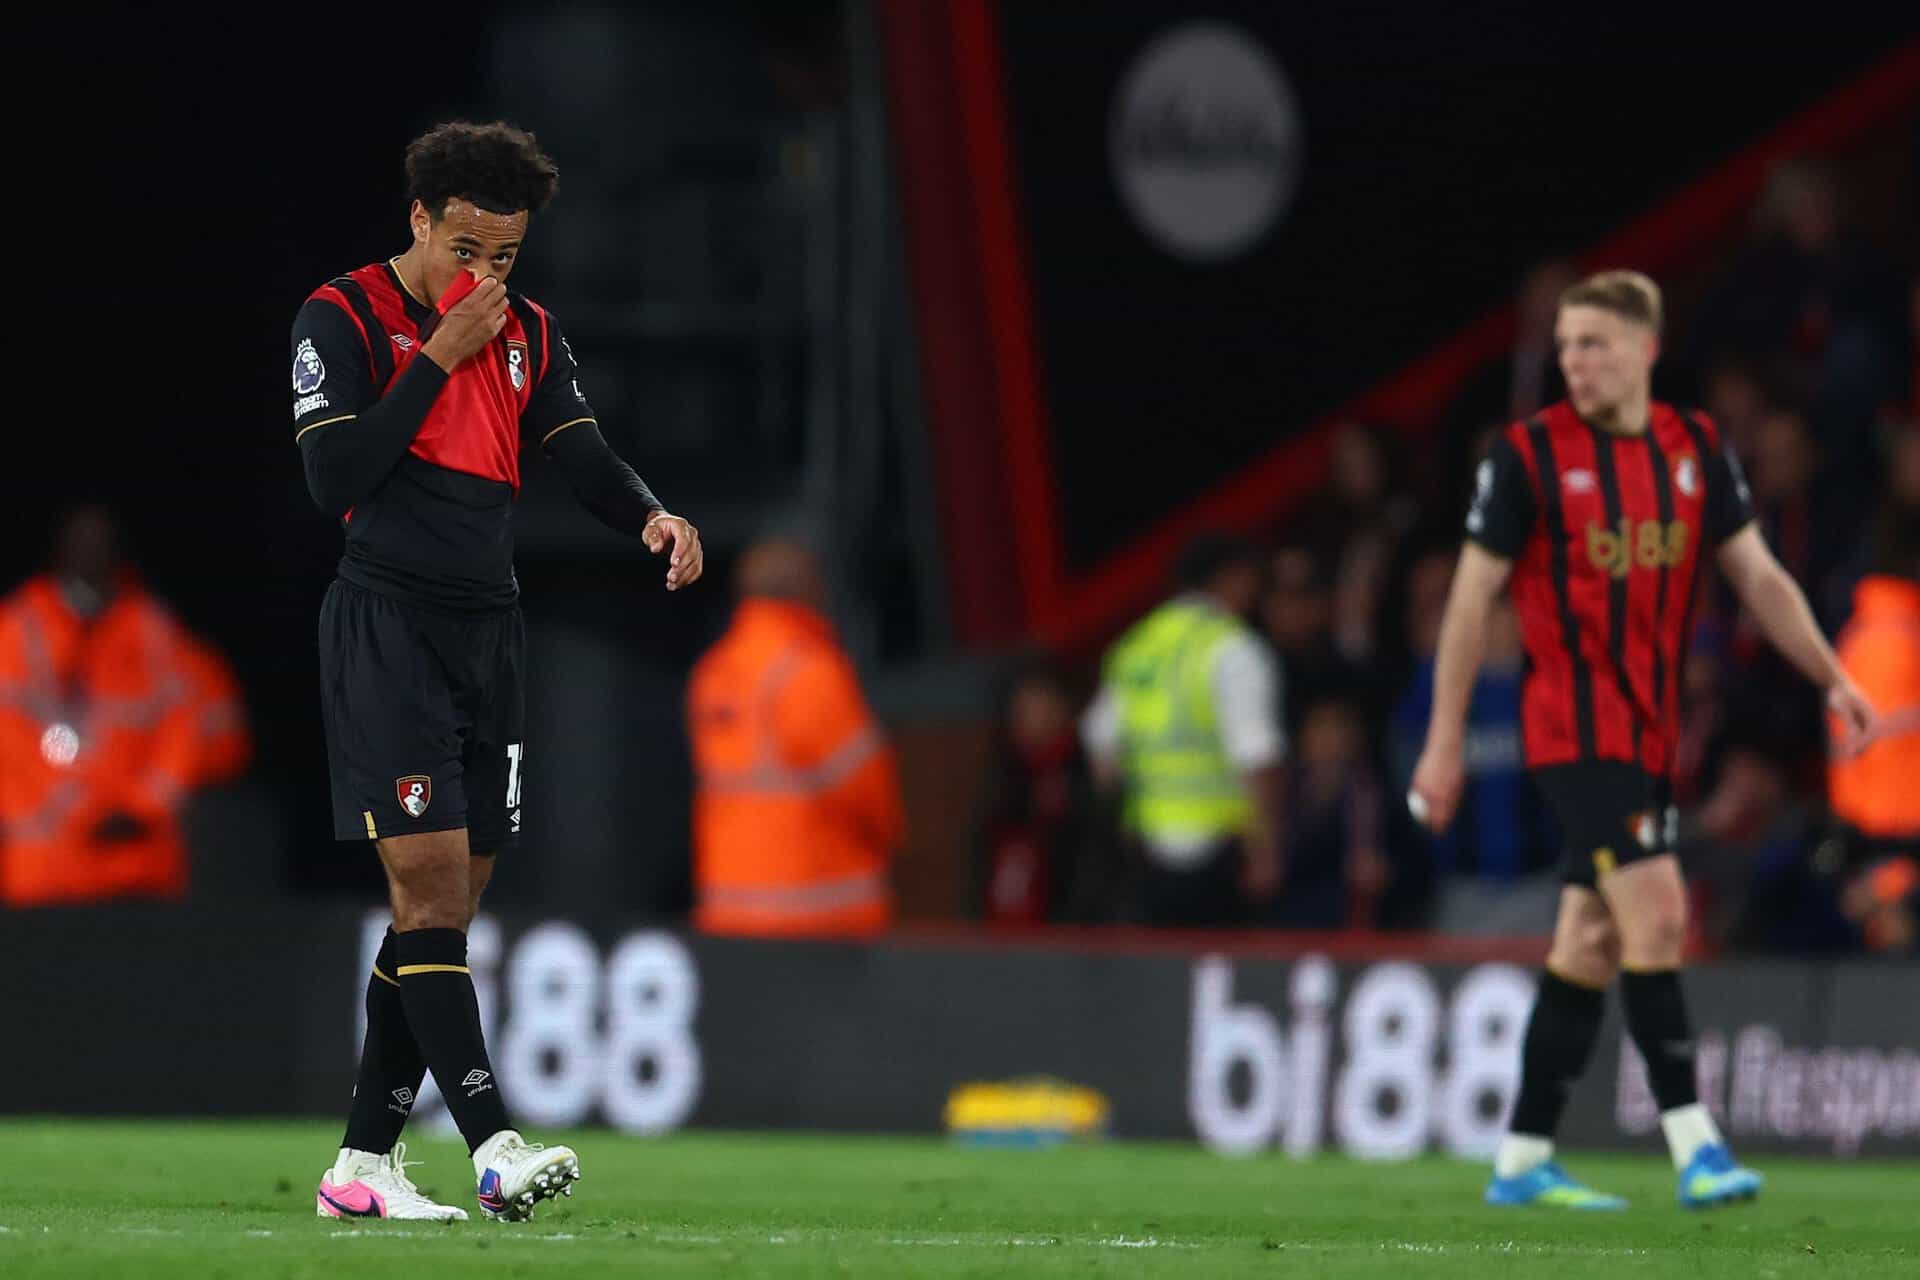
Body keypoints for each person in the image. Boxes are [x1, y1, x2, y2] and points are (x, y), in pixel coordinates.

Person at [292, 122, 704, 1223]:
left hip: (491, 632)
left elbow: (579, 449)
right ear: (419, 220)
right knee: (426, 892)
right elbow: (335, 471)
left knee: (444, 913)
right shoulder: (342, 317)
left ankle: (361, 1166)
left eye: (507, 257)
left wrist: (652, 513)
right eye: (467, 250)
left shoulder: (528, 332)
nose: (485, 277)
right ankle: (493, 1142)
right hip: (387, 622)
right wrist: (433, 357)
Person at [1408, 270, 1878, 1211]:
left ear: (1646, 351)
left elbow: (1759, 575)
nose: (1575, 361)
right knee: (1657, 915)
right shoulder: (1528, 455)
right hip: (1572, 733)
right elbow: (1469, 598)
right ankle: (1697, 1146)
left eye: (1596, 343)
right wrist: (1444, 738)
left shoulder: (1695, 447)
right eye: (1569, 344)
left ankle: (1521, 1158)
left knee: (1587, 939)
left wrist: (1834, 677)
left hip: (1651, 734)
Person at [0, 506, 249, 906]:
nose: (91, 555)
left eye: (102, 545)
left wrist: (142, 808)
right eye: (81, 543)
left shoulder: (154, 635)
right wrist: (81, 809)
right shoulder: (17, 631)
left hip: (137, 868)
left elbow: (183, 733)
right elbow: (10, 743)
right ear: (57, 551)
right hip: (44, 877)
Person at [687, 537, 904, 937]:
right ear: (809, 591)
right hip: (821, 913)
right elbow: (869, 793)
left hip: (731, 908)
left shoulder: (714, 672)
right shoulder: (811, 674)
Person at [1082, 533, 1285, 927]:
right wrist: (1266, 852)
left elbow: (1102, 752)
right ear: (1233, 578)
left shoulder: (1137, 645)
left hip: (1148, 851)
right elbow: (1257, 758)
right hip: (1222, 855)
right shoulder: (1232, 649)